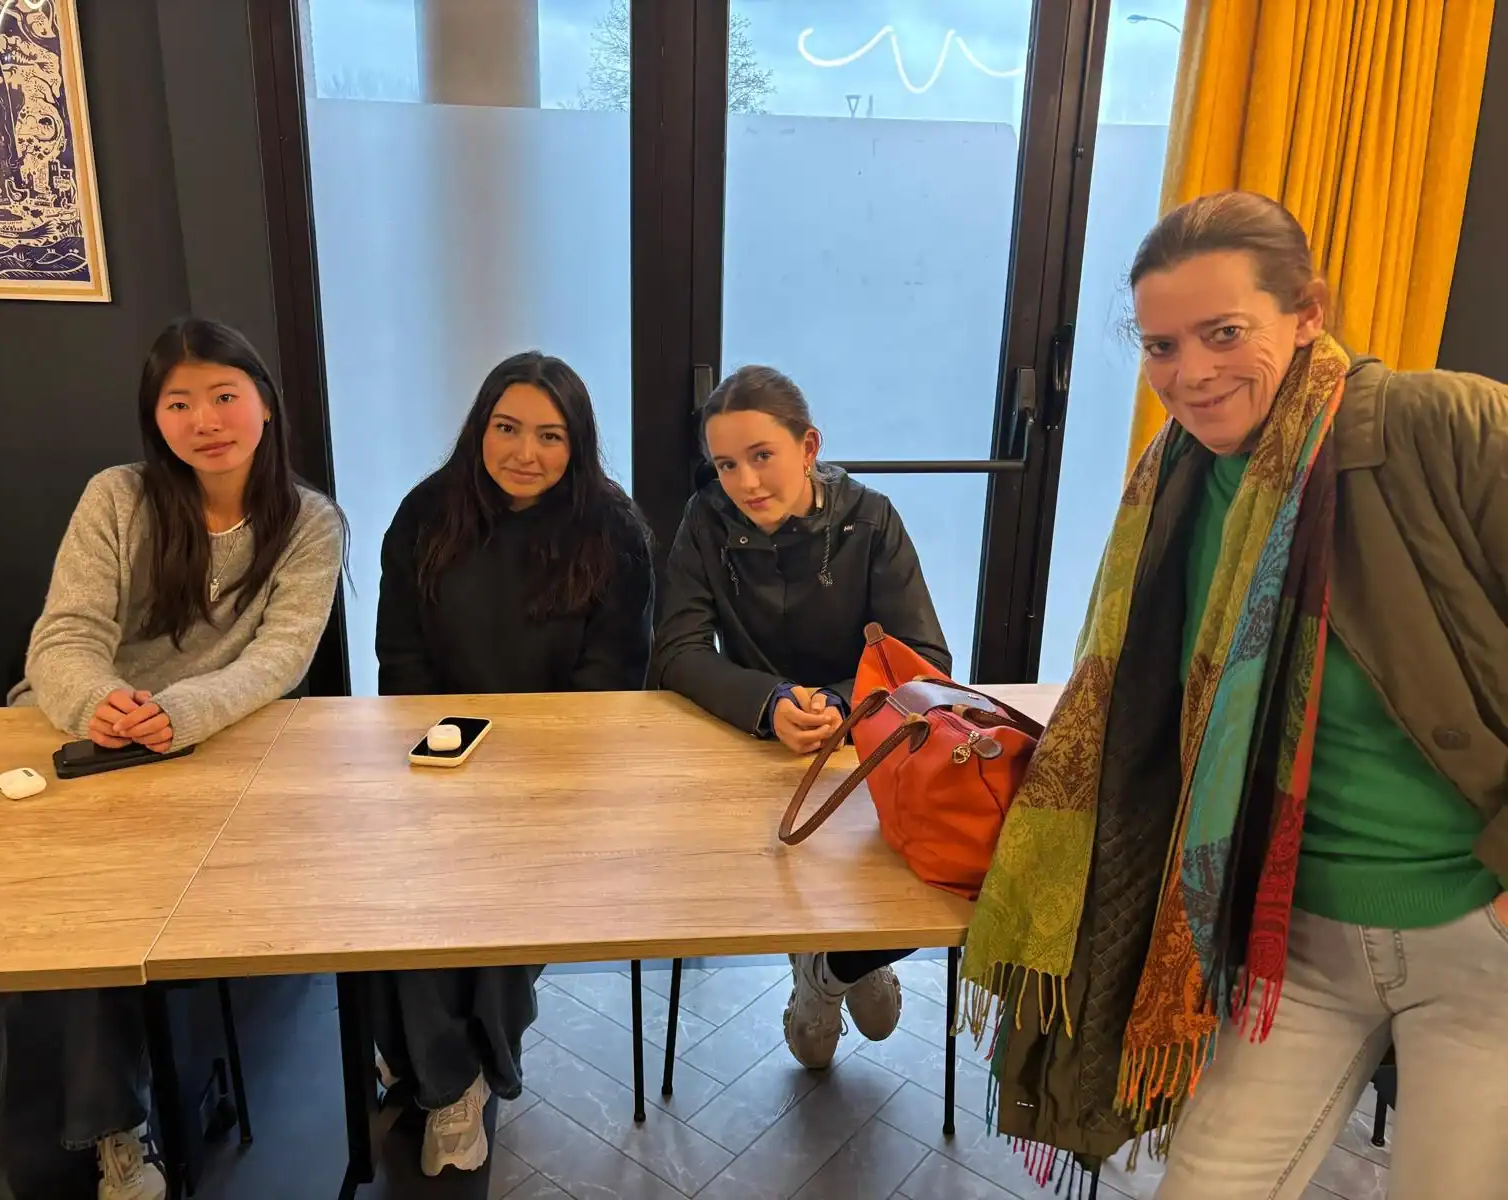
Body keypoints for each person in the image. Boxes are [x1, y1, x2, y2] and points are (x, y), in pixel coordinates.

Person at [959, 192, 1508, 1200]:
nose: (1191, 374)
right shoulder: (1173, 481)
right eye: (1161, 346)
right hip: (1291, 938)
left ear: (1307, 314)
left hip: (1479, 937)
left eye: (1223, 333)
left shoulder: (1439, 426)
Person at [0, 317, 345, 1200]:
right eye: (179, 403)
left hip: (210, 749)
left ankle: (121, 1116)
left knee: (139, 922)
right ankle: (111, 1126)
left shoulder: (309, 522)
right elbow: (64, 635)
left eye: (224, 395)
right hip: (84, 741)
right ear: (155, 418)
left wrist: (178, 713)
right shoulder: (117, 497)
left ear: (265, 403)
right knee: (41, 926)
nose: (205, 420)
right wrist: (99, 703)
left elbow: (280, 659)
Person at [374, 351, 653, 1177]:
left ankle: (464, 1078)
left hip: (560, 776)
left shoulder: (615, 531)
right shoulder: (426, 514)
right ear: (480, 428)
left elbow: (612, 681)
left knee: (501, 902)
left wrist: (529, 772)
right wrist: (446, 756)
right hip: (441, 758)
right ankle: (442, 1073)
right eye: (507, 428)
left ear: (577, 444)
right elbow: (400, 659)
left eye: (549, 435)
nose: (525, 452)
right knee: (407, 902)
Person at [652, 364, 952, 1071]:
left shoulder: (871, 518)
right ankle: (829, 959)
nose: (746, 482)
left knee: (927, 871)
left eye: (763, 456)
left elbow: (926, 657)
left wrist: (841, 704)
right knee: (765, 853)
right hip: (754, 739)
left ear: (809, 446)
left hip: (864, 734)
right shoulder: (705, 520)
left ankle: (831, 970)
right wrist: (771, 702)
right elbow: (676, 652)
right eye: (727, 464)